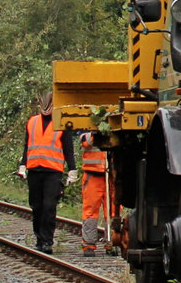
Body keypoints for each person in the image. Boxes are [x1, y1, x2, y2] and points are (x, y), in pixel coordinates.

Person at [16, 91, 76, 254]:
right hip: (34, 169)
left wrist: (72, 169)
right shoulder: (32, 122)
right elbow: (27, 146)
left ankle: (47, 241)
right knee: (37, 206)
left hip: (53, 172)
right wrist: (23, 165)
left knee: (49, 206)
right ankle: (39, 239)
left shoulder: (61, 123)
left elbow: (68, 150)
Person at [78, 131, 117, 256]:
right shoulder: (88, 128)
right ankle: (88, 244)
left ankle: (112, 242)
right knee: (90, 211)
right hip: (93, 175)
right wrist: (98, 134)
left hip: (112, 175)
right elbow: (84, 141)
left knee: (113, 210)